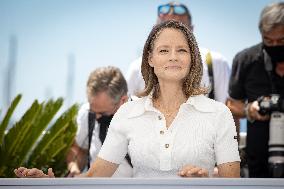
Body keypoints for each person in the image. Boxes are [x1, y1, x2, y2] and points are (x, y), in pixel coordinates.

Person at [15, 20, 240, 178]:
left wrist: (207, 182)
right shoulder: (128, 113)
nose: (173, 57)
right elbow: (95, 177)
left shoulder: (220, 114)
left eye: (182, 50)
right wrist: (49, 184)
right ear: (149, 58)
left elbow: (233, 184)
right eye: (163, 50)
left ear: (192, 58)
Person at [127, 1, 231, 104]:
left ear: (191, 30)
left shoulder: (216, 62)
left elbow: (229, 113)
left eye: (180, 29)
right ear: (154, 31)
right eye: (164, 29)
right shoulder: (137, 68)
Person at [226, 2, 284, 178]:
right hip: (258, 164)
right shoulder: (246, 60)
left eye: (281, 41)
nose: (274, 45)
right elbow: (230, 105)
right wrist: (249, 110)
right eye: (268, 40)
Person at [65, 66, 132, 177]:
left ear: (123, 100)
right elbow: (78, 149)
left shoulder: (144, 116)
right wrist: (74, 168)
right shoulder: (87, 114)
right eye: (93, 111)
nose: (96, 118)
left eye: (102, 113)